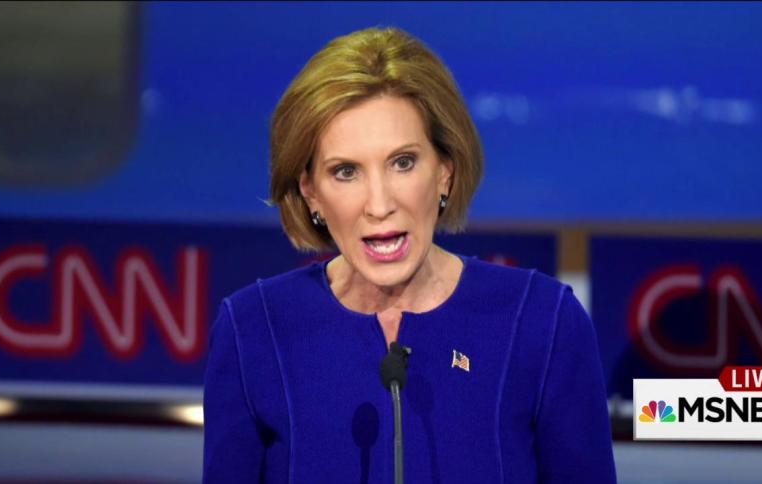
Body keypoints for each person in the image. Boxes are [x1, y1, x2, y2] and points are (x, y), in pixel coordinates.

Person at [203, 26, 616, 483]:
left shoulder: (543, 322)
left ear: (444, 171)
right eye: (346, 171)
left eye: (403, 163)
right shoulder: (253, 330)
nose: (379, 204)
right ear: (310, 192)